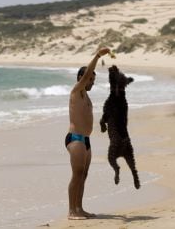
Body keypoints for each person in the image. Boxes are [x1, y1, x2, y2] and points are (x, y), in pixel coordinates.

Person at [65, 47, 111, 220]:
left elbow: (86, 116)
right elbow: (85, 76)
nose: (92, 82)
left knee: (83, 176)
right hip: (75, 139)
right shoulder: (76, 92)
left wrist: (101, 123)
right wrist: (98, 56)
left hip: (86, 139)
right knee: (76, 175)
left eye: (93, 80)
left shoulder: (86, 97)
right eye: (90, 79)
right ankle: (71, 211)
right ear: (81, 79)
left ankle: (79, 208)